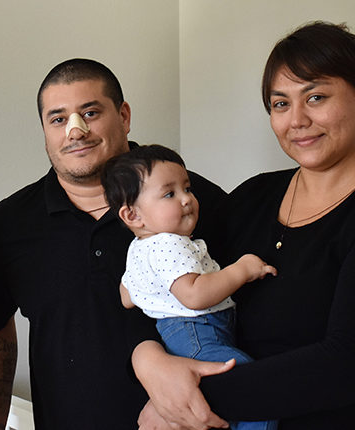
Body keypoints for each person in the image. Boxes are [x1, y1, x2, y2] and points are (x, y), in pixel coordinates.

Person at [131, 21, 355, 429]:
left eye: (315, 97)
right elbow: (155, 279)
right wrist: (147, 361)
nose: (296, 120)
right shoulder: (251, 198)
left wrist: (182, 401)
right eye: (280, 104)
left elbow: (349, 363)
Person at [0, 59, 228, 429]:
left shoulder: (194, 201)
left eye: (90, 112)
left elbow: (250, 310)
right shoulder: (8, 225)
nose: (75, 131)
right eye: (58, 119)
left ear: (123, 116)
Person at [102, 144, 277, 430]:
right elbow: (195, 295)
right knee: (254, 388)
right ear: (133, 216)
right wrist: (242, 270)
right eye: (169, 194)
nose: (186, 199)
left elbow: (127, 297)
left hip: (178, 337)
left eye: (187, 188)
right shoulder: (169, 244)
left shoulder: (139, 248)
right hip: (198, 332)